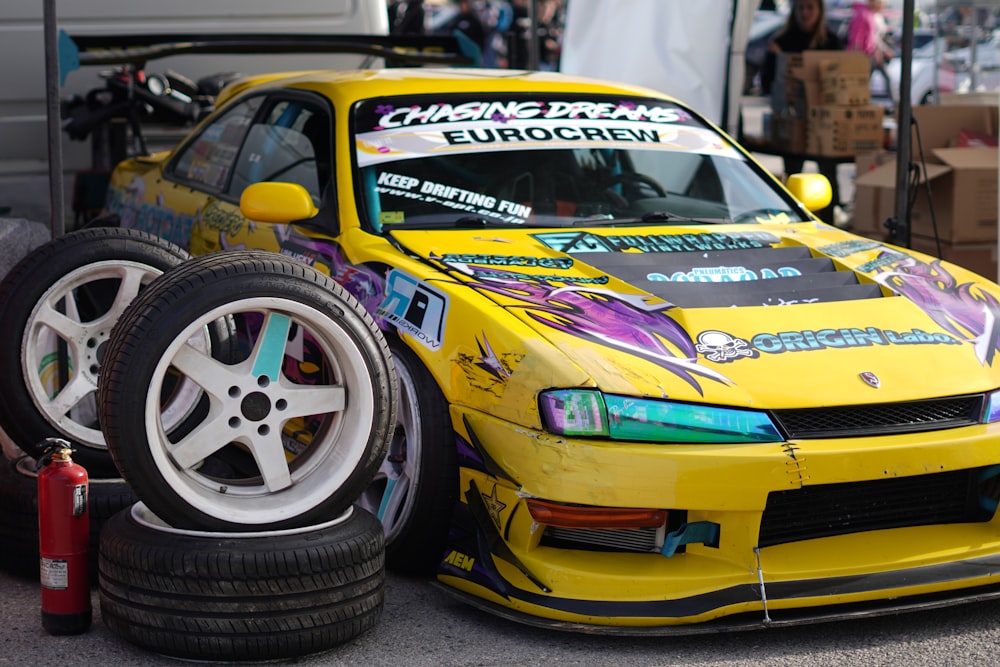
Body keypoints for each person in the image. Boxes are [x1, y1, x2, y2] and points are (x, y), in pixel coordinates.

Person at [760, 0, 843, 225]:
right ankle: (796, 222)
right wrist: (775, 58)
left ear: (819, 11)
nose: (805, 14)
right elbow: (767, 83)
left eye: (810, 8)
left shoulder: (831, 41)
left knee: (827, 175)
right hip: (792, 118)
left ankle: (829, 223)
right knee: (794, 175)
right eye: (801, 8)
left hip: (823, 121)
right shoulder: (781, 41)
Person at [847, 0, 895, 107]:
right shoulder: (863, 14)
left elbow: (871, 38)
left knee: (866, 81)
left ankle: (894, 104)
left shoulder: (868, 14)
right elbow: (857, 38)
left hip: (869, 54)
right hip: (864, 56)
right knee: (862, 82)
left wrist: (878, 50)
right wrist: (856, 57)